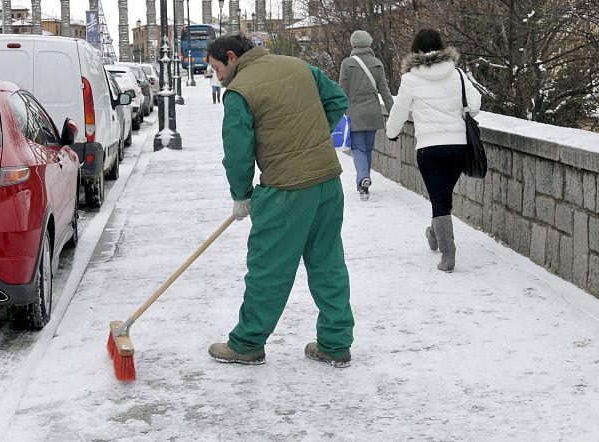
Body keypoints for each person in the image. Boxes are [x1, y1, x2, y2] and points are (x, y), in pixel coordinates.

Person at [206, 33, 355, 368]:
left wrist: (241, 195)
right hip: (327, 182)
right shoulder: (298, 66)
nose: (218, 77)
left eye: (217, 69)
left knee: (268, 269)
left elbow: (238, 153)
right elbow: (337, 100)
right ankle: (335, 343)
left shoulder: (239, 92)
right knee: (328, 263)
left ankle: (246, 343)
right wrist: (312, 139)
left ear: (232, 57)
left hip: (285, 190)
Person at [384, 28, 481, 273]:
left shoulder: (410, 78)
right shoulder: (457, 73)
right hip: (458, 145)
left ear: (416, 49)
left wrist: (391, 133)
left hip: (429, 148)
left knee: (439, 199)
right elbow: (476, 104)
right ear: (441, 46)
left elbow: (399, 110)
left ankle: (448, 256)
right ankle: (434, 234)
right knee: (443, 196)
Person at [338, 30, 394, 201]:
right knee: (368, 148)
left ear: (353, 44)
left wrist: (338, 113)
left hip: (355, 112)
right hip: (373, 112)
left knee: (358, 149)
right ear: (369, 44)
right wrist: (393, 113)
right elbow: (384, 90)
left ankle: (363, 179)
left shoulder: (347, 63)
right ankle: (364, 185)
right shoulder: (377, 63)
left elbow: (342, 90)